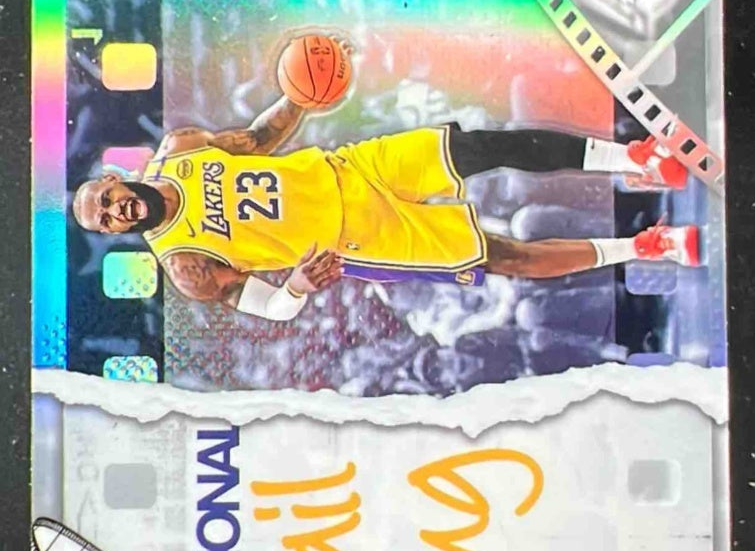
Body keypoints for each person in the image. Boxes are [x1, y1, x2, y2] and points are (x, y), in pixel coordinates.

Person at [73, 77, 700, 322]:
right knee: (506, 256)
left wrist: (298, 97)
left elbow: (259, 139)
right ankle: (646, 246)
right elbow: (272, 309)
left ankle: (635, 159)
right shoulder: (184, 264)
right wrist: (296, 287)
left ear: (115, 177)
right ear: (114, 231)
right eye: (105, 220)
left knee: (483, 145)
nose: (114, 212)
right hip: (360, 240)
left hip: (352, 168)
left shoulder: (182, 147)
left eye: (106, 198)